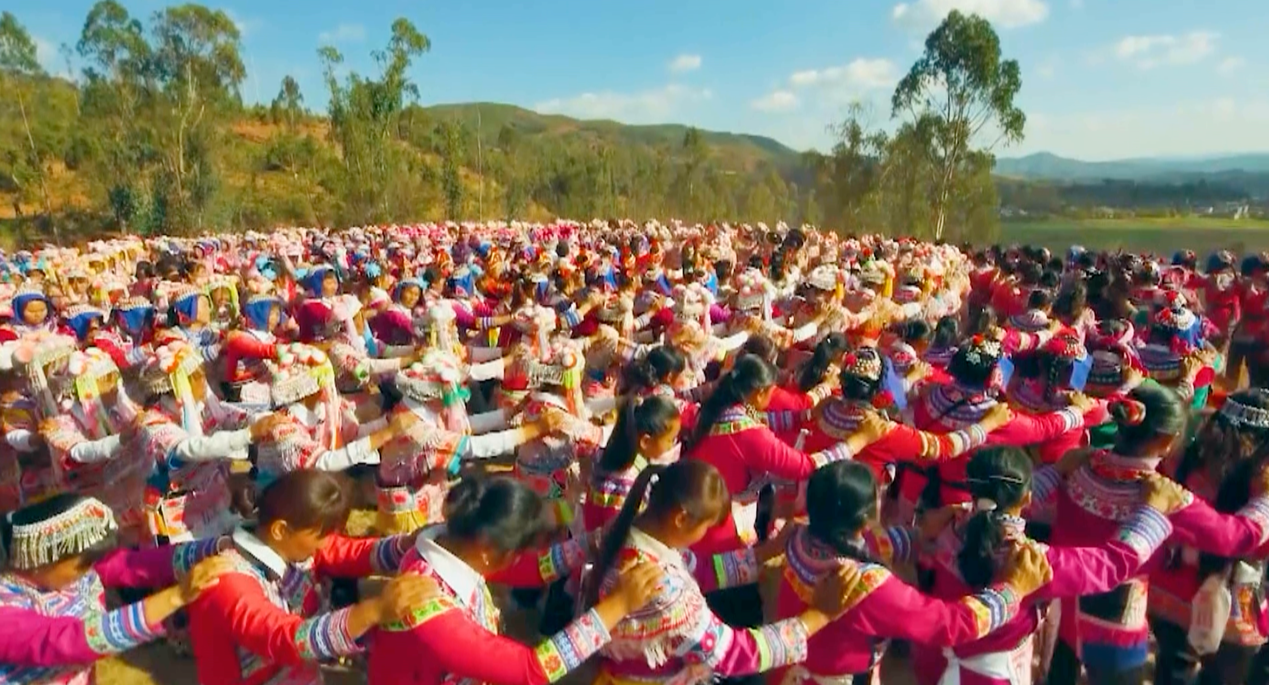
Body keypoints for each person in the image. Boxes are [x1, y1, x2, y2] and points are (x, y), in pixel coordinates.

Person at [912, 446, 1184, 685]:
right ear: (1027, 498)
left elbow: (999, 508)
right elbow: (1109, 564)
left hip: (934, 659)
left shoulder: (947, 525)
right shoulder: (1031, 563)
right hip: (989, 677)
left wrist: (1056, 471)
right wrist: (1152, 511)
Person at [771, 459, 1053, 685]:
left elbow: (870, 544)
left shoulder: (801, 537)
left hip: (789, 670)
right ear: (867, 518)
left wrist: (923, 535)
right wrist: (1012, 589)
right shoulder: (863, 584)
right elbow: (948, 624)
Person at [583, 459, 864, 685]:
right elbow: (731, 652)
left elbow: (702, 569)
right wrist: (819, 615)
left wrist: (766, 551)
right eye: (705, 527)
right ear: (681, 518)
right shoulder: (665, 588)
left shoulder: (628, 532)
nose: (704, 535)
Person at [366, 476, 665, 685]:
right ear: (488, 549)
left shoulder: (455, 543)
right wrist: (618, 605)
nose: (520, 559)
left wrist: (594, 541)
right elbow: (530, 669)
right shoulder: (425, 601)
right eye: (517, 552)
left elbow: (533, 569)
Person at [186, 469, 440, 685]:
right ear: (280, 530)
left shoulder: (288, 544)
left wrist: (406, 544)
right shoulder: (229, 582)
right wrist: (374, 611)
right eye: (321, 534)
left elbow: (349, 552)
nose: (325, 544)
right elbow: (284, 637)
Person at [0, 494, 230, 683]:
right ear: (41, 558)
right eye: (82, 564)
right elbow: (67, 640)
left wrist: (216, 547)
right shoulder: (5, 610)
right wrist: (176, 596)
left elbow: (134, 565)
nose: (89, 570)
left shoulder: (80, 572)